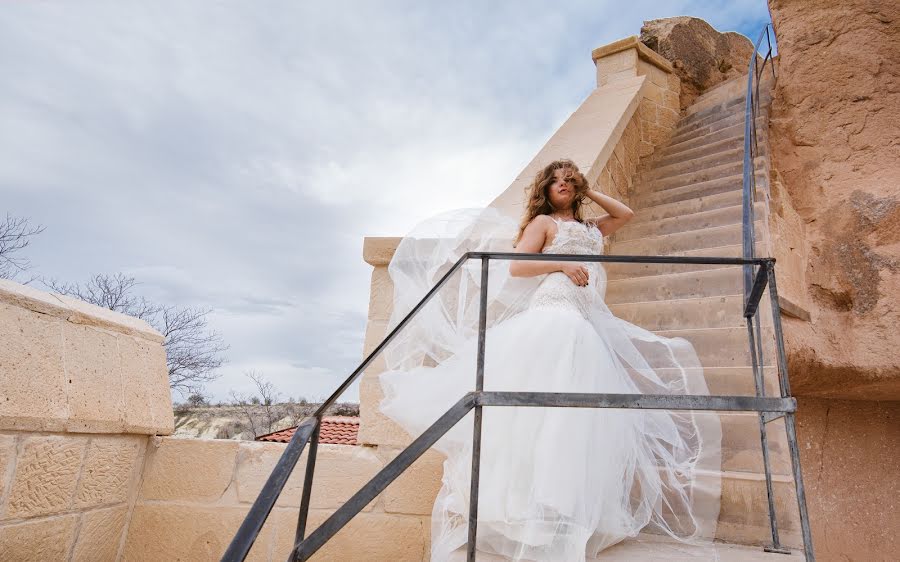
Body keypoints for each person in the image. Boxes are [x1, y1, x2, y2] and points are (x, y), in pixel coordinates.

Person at [378, 159, 722, 561]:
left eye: (568, 181)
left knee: (575, 423)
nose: (563, 185)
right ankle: (525, 515)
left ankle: (558, 512)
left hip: (583, 325)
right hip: (552, 318)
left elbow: (624, 214)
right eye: (556, 180)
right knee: (534, 420)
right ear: (545, 188)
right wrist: (560, 262)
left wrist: (586, 187)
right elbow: (518, 266)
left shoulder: (592, 228)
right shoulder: (544, 224)